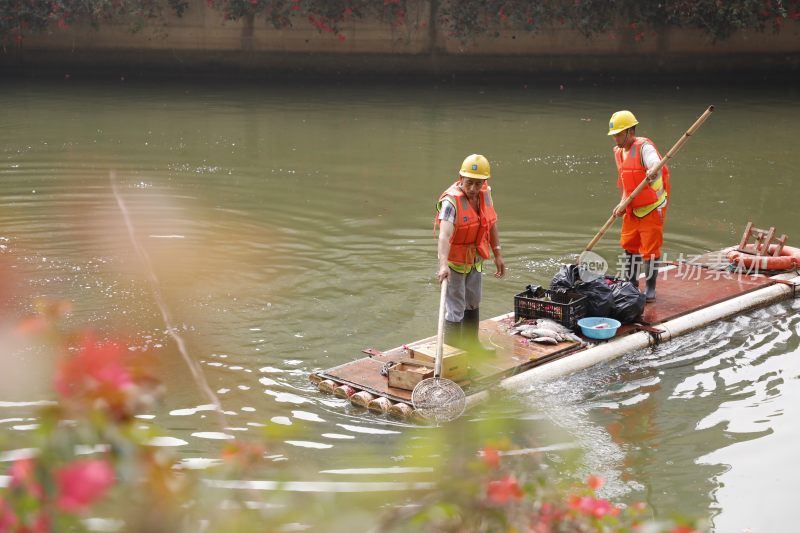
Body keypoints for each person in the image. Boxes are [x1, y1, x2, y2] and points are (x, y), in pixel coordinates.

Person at [435, 154, 506, 356]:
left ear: (485, 182)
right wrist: (443, 265)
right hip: (455, 261)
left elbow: (490, 223)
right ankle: (451, 354)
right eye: (469, 183)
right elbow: (444, 236)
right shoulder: (451, 202)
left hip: (475, 259)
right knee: (455, 307)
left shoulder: (485, 194)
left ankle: (471, 347)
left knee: (473, 302)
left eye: (478, 183)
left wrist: (498, 254)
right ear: (460, 178)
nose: (473, 189)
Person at [608, 110, 669, 302]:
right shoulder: (619, 152)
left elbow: (655, 163)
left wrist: (652, 170)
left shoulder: (644, 147)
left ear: (630, 131)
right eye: (614, 135)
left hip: (652, 206)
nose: (616, 138)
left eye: (619, 134)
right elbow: (627, 182)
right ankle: (631, 283)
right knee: (629, 246)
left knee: (650, 249)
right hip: (632, 207)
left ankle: (650, 289)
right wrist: (621, 204)